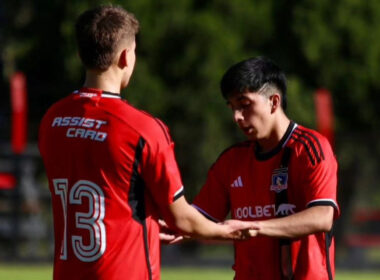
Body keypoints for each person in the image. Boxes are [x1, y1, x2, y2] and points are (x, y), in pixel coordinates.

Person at [38, 5, 255, 280]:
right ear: (126, 56)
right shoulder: (142, 129)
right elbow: (182, 219)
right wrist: (229, 231)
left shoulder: (53, 119)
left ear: (81, 54)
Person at [192, 56, 339, 280]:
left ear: (274, 101)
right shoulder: (231, 160)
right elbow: (198, 219)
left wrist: (254, 227)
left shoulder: (310, 148)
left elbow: (322, 217)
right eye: (232, 107)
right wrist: (159, 225)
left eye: (245, 105)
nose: (237, 117)